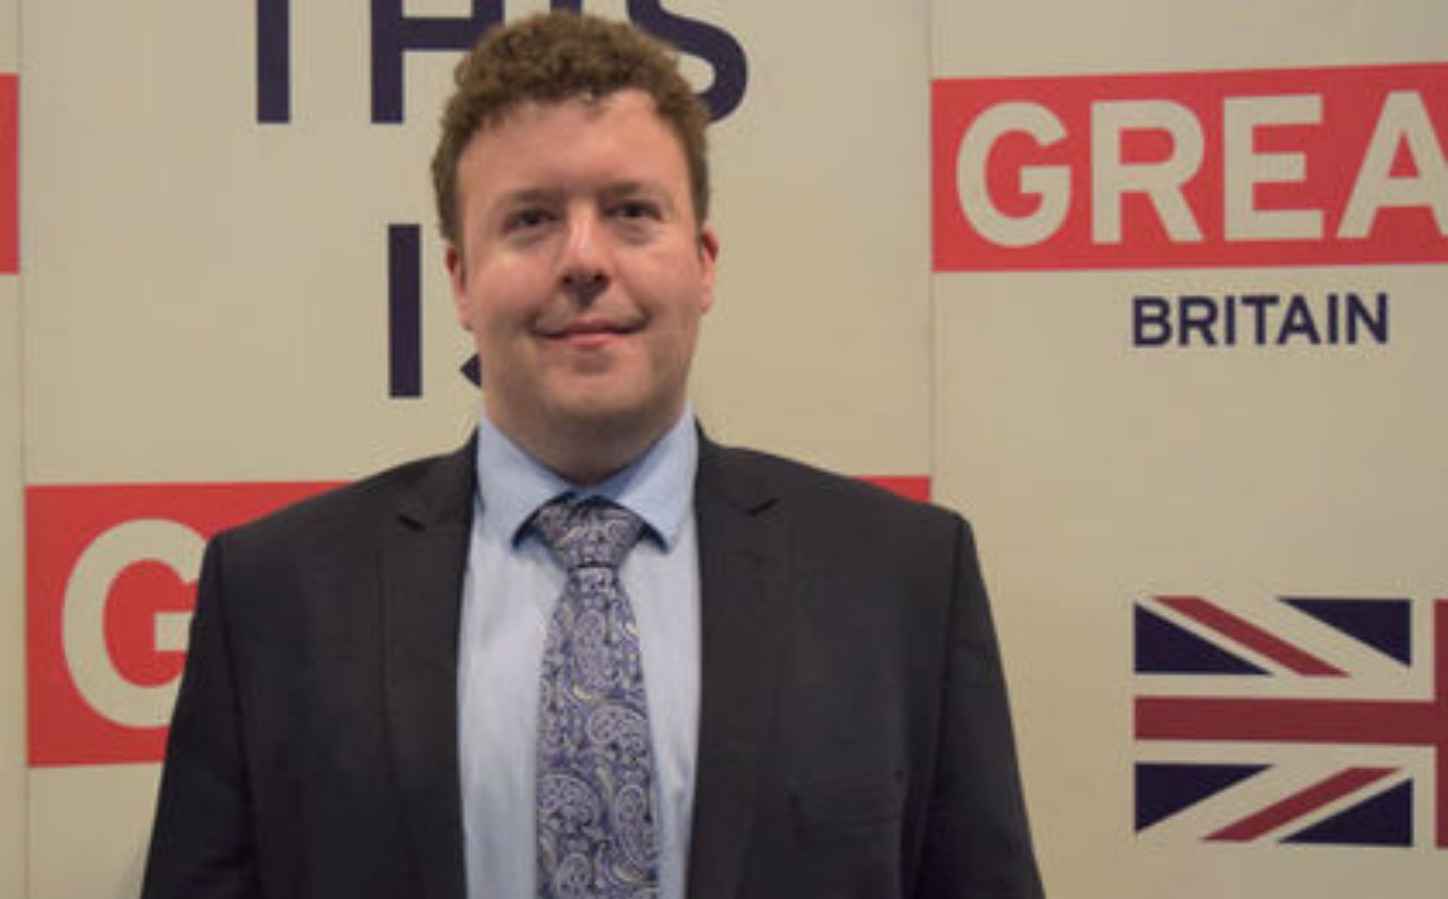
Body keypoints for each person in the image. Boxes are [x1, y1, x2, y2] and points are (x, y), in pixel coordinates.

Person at [141, 11, 1043, 899]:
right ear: (459, 279)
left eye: (632, 212)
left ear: (704, 261)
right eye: (531, 218)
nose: (583, 259)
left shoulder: (902, 582)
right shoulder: (273, 597)